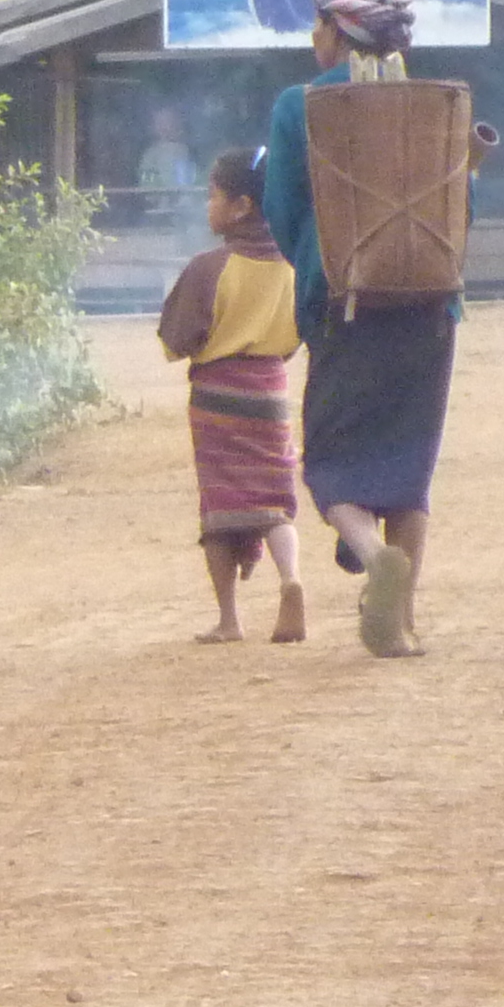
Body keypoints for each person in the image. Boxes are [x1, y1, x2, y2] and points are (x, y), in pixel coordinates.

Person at [261, 0, 454, 658]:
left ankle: (373, 558)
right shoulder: (438, 101)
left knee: (332, 466)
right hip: (433, 310)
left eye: (316, 22)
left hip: (341, 300)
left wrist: (316, 265)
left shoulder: (300, 106)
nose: (312, 37)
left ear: (338, 30)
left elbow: (283, 212)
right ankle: (401, 627)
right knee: (410, 468)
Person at [160, 147, 306, 644]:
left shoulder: (210, 267)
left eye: (213, 195)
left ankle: (229, 619)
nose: (208, 206)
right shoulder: (289, 264)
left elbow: (177, 341)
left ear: (241, 205)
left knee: (220, 507)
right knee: (273, 500)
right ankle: (292, 580)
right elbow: (296, 333)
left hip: (217, 397)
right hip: (271, 391)